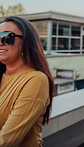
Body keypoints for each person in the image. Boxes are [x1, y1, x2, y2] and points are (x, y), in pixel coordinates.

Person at [0, 16, 55, 146]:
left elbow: (6, 141)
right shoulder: (2, 75)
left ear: (26, 41)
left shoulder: (36, 79)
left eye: (7, 37)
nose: (0, 42)